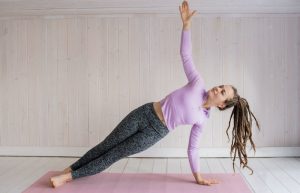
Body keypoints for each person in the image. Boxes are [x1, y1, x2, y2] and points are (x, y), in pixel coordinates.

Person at [50, 0, 260, 188]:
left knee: (115, 154)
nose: (218, 88)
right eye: (221, 86)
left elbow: (193, 149)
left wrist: (198, 177)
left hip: (156, 132)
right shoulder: (198, 83)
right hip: (145, 112)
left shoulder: (202, 120)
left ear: (222, 104)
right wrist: (186, 26)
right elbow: (185, 55)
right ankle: (70, 169)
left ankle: (68, 178)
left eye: (222, 92)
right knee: (107, 144)